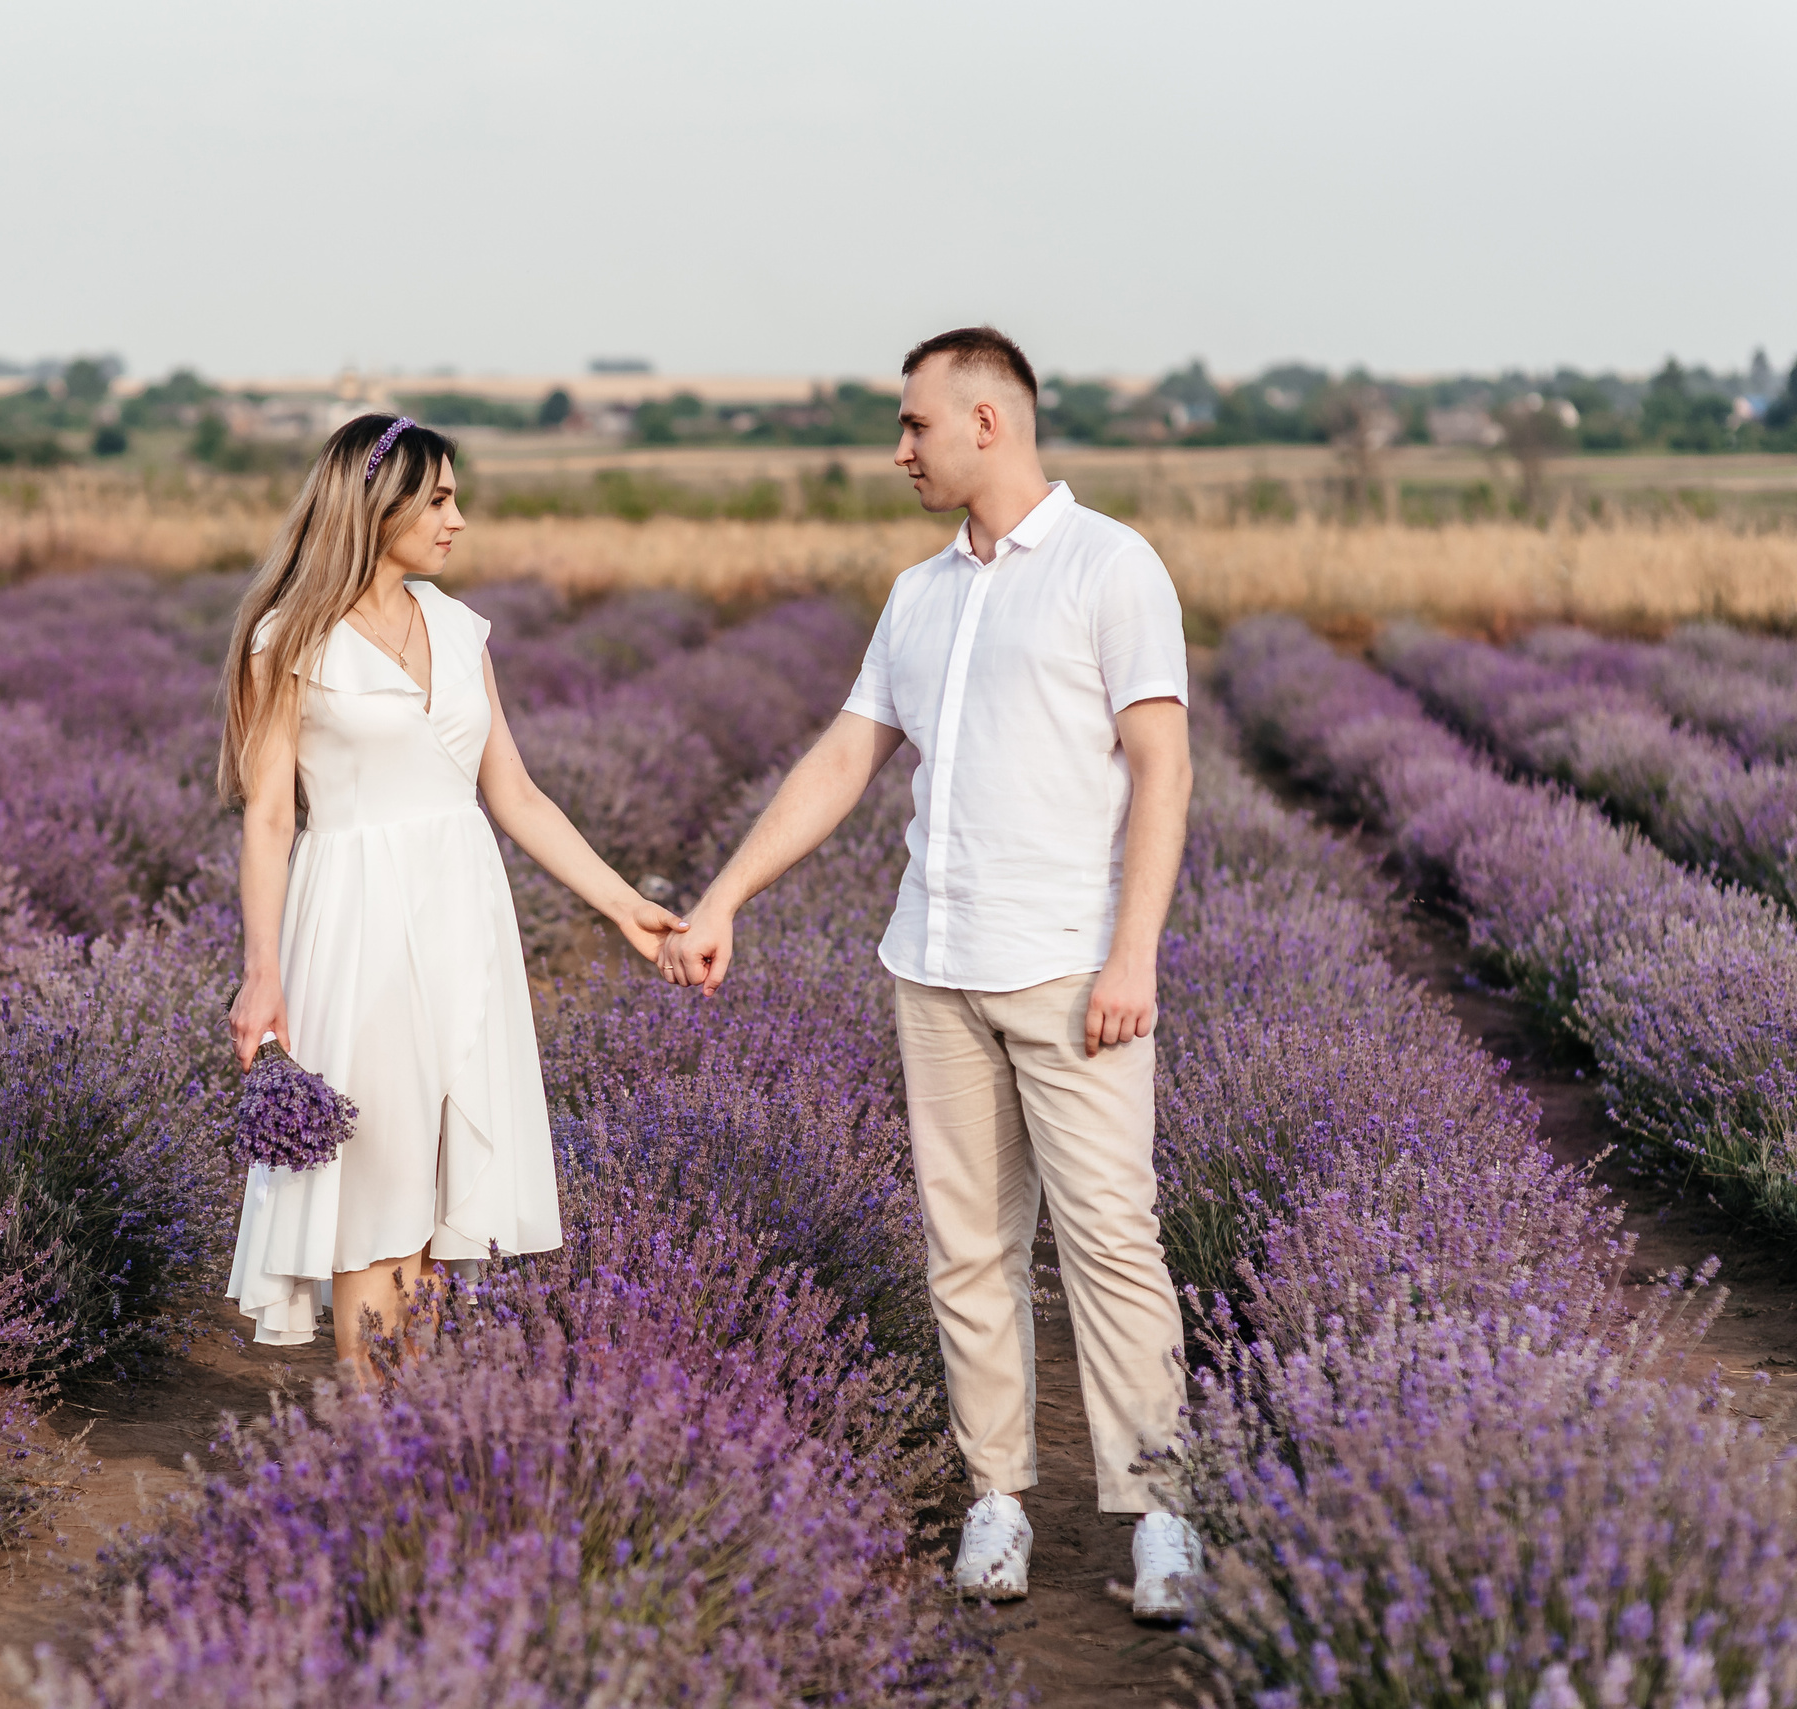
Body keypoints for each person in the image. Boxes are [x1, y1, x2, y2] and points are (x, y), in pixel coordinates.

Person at [656, 327, 1203, 1622]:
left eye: (914, 425)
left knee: (1113, 1241)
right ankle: (998, 1499)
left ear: (987, 422)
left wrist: (1136, 951)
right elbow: (843, 761)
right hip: (935, 963)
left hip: (1072, 967)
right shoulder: (919, 595)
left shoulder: (1110, 566)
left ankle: (1162, 1514)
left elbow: (1165, 769)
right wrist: (725, 895)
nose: (898, 449)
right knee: (968, 1251)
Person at [219, 413, 686, 1378]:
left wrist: (622, 904)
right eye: (438, 498)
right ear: (374, 505)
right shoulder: (288, 640)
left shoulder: (461, 627)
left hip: (463, 916)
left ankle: (409, 1419)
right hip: (352, 920)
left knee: (434, 1189)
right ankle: (369, 1431)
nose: (458, 520)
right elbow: (268, 817)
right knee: (372, 1183)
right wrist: (261, 972)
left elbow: (513, 793)